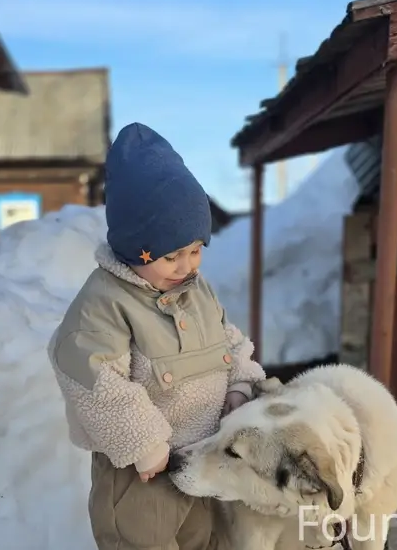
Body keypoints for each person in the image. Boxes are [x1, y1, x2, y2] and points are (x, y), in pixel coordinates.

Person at [46, 122, 266, 550]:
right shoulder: (106, 301)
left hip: (199, 460)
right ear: (134, 247)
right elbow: (91, 377)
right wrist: (144, 443)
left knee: (204, 541)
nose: (187, 266)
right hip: (141, 475)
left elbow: (228, 340)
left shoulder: (196, 291)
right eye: (171, 256)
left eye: (196, 250)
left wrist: (240, 382)